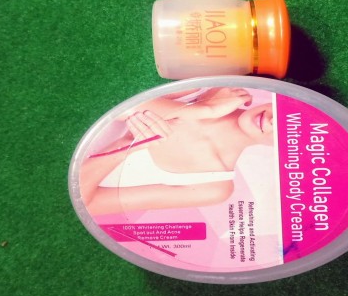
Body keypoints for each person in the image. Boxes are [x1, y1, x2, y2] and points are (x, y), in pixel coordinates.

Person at [80, 87, 274, 215]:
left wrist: (128, 145)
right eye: (286, 114)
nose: (273, 121)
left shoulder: (213, 187)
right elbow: (105, 98)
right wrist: (203, 110)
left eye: (285, 131)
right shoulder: (200, 88)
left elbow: (85, 203)